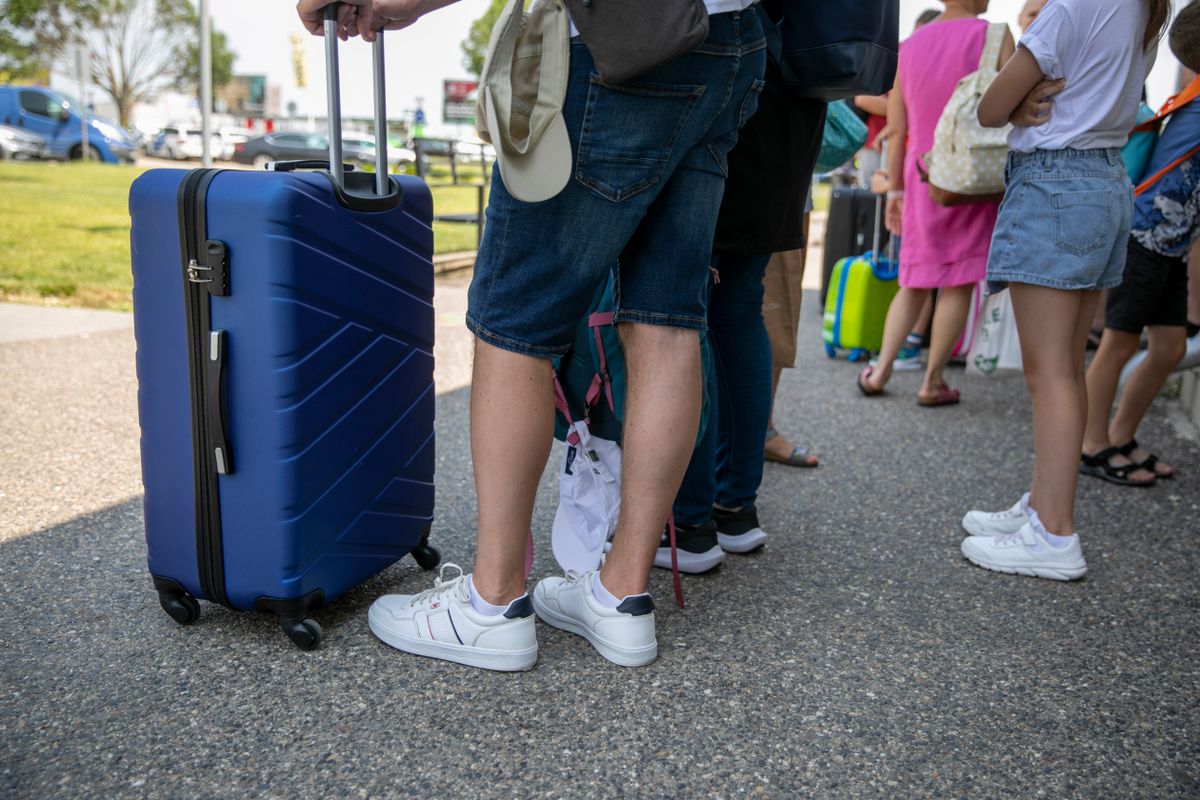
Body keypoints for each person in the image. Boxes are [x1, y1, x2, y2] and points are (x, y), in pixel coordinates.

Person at [297, 0, 766, 669]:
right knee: (665, 322)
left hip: (615, 44)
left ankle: (492, 605)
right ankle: (621, 594)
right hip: (729, 37)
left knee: (513, 324)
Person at [960, 0, 1170, 579]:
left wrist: (1020, 100)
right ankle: (1043, 506)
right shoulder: (1146, 11)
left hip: (1057, 182)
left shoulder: (1076, 5)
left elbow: (990, 107)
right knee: (1065, 370)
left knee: (1049, 372)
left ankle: (1053, 534)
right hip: (1103, 179)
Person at [666, 6, 828, 571]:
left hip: (727, 72)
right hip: (795, 94)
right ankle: (734, 509)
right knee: (737, 306)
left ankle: (688, 522)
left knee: (683, 312)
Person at [857, 1, 1015, 406]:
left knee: (912, 281)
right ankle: (931, 381)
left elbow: (898, 127)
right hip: (970, 173)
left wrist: (894, 190)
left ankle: (880, 371)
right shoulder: (993, 35)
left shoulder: (908, 47)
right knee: (958, 282)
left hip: (921, 173)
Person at [1081, 4, 1200, 487]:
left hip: (1168, 243)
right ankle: (1090, 446)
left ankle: (1121, 436)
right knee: (1119, 342)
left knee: (1169, 347)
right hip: (1145, 238)